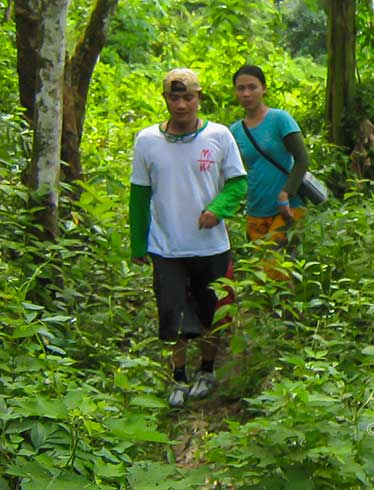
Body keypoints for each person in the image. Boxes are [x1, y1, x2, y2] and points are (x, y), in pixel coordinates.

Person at [130, 68, 247, 407]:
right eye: (174, 97)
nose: (181, 105)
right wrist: (139, 243)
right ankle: (178, 378)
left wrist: (218, 209)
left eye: (188, 98)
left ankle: (207, 370)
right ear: (165, 99)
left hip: (211, 245)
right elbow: (139, 194)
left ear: (199, 99)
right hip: (166, 246)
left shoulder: (219, 136)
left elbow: (237, 182)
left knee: (214, 311)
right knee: (172, 313)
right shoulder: (147, 140)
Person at [229, 65, 311, 253]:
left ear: (264, 88)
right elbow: (235, 172)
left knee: (275, 267)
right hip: (256, 209)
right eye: (241, 89)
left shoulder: (280, 119)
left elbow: (302, 159)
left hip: (288, 207)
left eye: (252, 87)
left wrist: (286, 193)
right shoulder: (235, 131)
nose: (246, 94)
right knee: (263, 272)